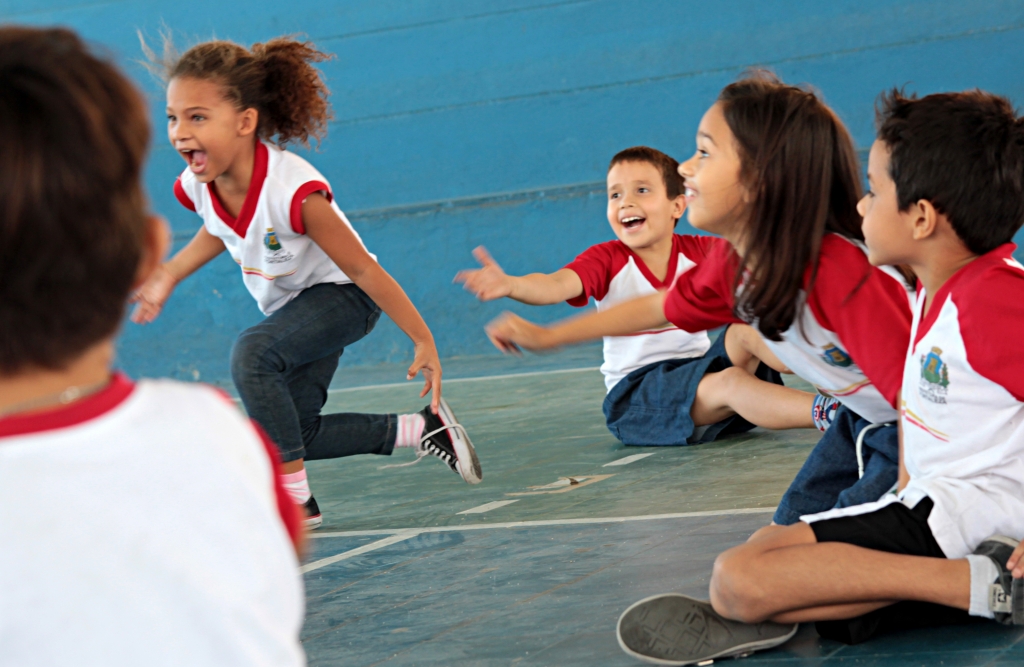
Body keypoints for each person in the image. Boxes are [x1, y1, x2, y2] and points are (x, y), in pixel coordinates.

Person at [616, 88, 1024, 665]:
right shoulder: (945, 290)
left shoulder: (992, 298)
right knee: (764, 548)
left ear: (923, 218)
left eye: (875, 192)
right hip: (935, 505)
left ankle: (980, 587)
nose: (860, 206)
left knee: (737, 579)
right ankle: (894, 597)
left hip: (975, 518)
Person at [0, 26, 306, 666]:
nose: (181, 129)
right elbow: (285, 551)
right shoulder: (216, 434)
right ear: (147, 254)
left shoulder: (293, 190)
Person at [485, 72, 914, 524]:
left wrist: (914, 510)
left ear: (760, 179)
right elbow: (653, 306)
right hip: (850, 422)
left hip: (914, 437)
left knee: (776, 576)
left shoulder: (841, 273)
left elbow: (917, 401)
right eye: (615, 194)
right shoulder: (727, 262)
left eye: (704, 152)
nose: (686, 167)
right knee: (759, 563)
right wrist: (549, 335)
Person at [132, 36, 481, 528]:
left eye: (197, 117)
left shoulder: (294, 190)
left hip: (346, 298)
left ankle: (297, 506)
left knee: (253, 356)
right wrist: (168, 272)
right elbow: (219, 228)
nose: (179, 132)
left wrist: (423, 337)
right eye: (172, 117)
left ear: (245, 121)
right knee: (289, 431)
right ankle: (424, 429)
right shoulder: (197, 184)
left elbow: (363, 269)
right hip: (295, 311)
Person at [456, 146, 820, 446]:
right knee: (731, 382)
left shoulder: (704, 252)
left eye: (641, 190)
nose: (625, 202)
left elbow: (764, 268)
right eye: (615, 194)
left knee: (745, 331)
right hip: (637, 399)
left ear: (677, 206)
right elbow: (554, 284)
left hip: (698, 376)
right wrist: (512, 284)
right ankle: (836, 414)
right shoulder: (606, 259)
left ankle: (838, 380)